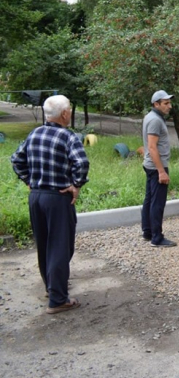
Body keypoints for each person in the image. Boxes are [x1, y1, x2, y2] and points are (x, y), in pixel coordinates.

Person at [11, 95, 90, 314]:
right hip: (57, 197)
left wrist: (28, 180)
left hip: (36, 196)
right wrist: (76, 184)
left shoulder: (34, 133)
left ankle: (51, 287)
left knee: (45, 244)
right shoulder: (67, 136)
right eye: (70, 110)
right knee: (60, 246)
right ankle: (58, 299)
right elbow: (81, 162)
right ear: (65, 114)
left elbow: (17, 159)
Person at [141, 90, 177, 247]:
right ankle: (157, 238)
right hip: (157, 167)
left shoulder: (151, 117)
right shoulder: (155, 120)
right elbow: (152, 147)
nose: (169, 106)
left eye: (169, 102)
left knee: (149, 200)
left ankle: (148, 232)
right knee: (157, 203)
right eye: (166, 103)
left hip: (150, 166)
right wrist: (161, 171)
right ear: (156, 104)